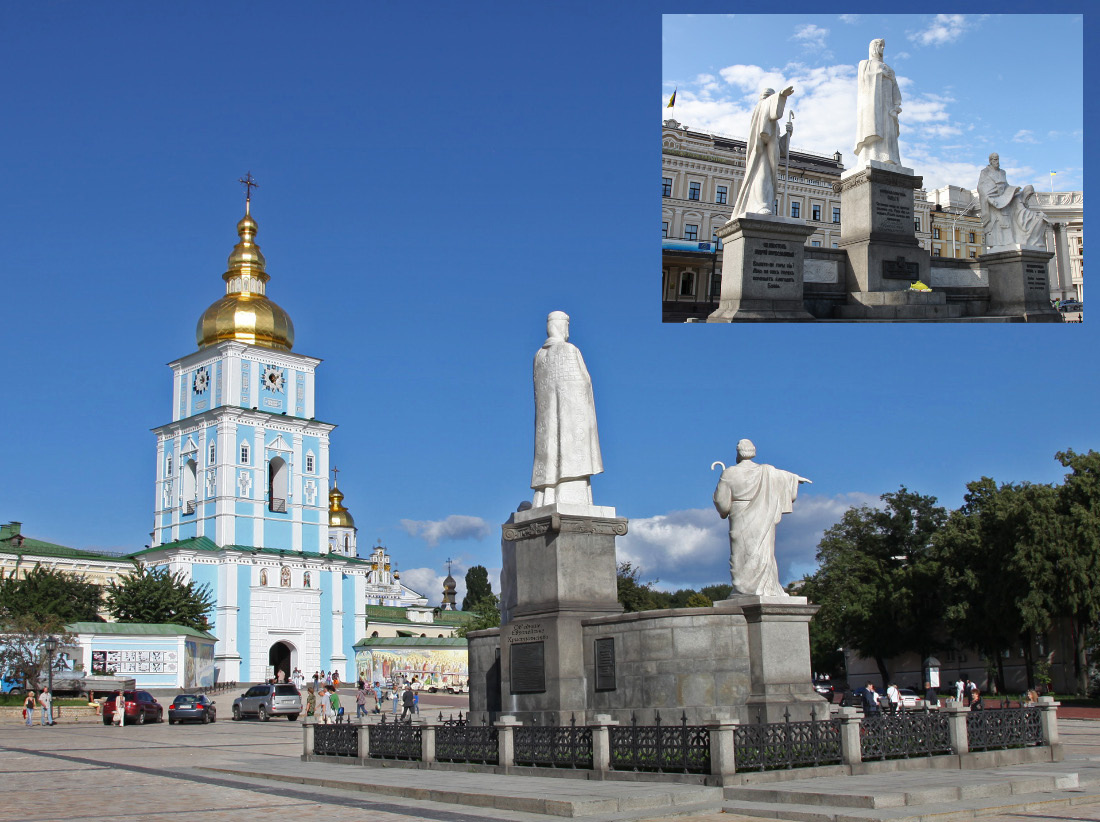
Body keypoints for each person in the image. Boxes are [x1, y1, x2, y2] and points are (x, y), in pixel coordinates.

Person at [713, 439, 811, 596]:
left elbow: (723, 504)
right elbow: (784, 478)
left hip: (740, 518)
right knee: (763, 551)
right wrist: (795, 479)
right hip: (763, 515)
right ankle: (765, 587)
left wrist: (718, 499)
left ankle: (744, 588)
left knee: (742, 554)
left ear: (738, 453)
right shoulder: (767, 471)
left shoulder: (729, 473)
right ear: (754, 452)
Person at [531, 311, 603, 507]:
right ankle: (571, 491)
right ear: (562, 327)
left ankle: (548, 492)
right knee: (568, 447)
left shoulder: (538, 357)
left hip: (547, 424)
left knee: (550, 448)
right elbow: (582, 383)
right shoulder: (569, 351)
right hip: (571, 419)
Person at [730, 86, 795, 218]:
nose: (770, 102)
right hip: (760, 152)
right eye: (770, 99)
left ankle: (765, 204)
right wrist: (781, 95)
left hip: (770, 153)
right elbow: (763, 132)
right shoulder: (759, 111)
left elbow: (780, 148)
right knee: (762, 175)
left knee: (767, 180)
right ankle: (762, 205)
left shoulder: (774, 124)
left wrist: (788, 134)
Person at [977, 153, 1049, 250]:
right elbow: (982, 188)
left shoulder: (1002, 172)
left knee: (1008, 219)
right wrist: (991, 199)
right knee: (997, 225)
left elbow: (1005, 185)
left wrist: (1012, 191)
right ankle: (998, 246)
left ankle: (1010, 243)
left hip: (1004, 200)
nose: (997, 162)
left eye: (998, 159)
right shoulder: (985, 172)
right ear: (990, 161)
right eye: (994, 160)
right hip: (993, 202)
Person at [854, 38, 902, 169]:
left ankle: (890, 158)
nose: (882, 48)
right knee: (875, 127)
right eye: (880, 45)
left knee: (888, 130)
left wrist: (897, 104)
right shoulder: (865, 64)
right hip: (873, 104)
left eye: (883, 46)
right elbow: (864, 80)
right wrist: (879, 72)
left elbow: (895, 88)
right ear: (873, 47)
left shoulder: (890, 69)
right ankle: (871, 156)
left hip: (888, 106)